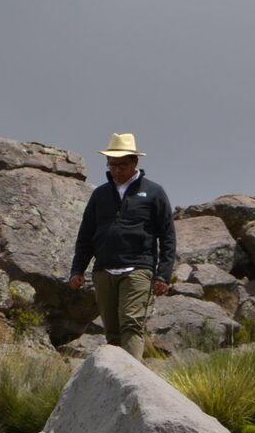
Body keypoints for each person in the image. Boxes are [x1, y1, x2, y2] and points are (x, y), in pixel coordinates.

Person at [68, 133, 176, 361]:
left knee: (131, 324)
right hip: (104, 270)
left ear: (135, 162)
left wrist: (163, 275)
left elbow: (167, 236)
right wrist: (78, 270)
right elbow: (86, 234)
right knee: (113, 332)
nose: (116, 170)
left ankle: (132, 381)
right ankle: (116, 382)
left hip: (138, 269)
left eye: (122, 165)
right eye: (112, 165)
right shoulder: (100, 195)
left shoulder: (154, 192)